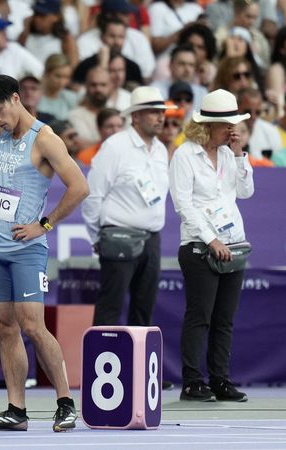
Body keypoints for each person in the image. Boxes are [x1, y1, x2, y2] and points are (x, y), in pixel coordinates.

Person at [0, 35, 89, 432]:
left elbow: (79, 187)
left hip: (27, 247)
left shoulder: (45, 139)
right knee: (5, 326)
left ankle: (64, 402)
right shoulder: (2, 132)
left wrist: (43, 225)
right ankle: (16, 410)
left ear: (16, 98)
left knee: (32, 325)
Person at [169, 89, 254, 402]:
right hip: (198, 246)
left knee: (224, 319)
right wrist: (211, 239)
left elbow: (245, 192)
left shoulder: (229, 154)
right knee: (200, 315)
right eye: (227, 124)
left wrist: (240, 153)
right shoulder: (185, 154)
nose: (232, 129)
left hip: (233, 243)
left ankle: (220, 379)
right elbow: (183, 204)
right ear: (208, 125)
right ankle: (192, 381)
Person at [82, 86, 175, 328]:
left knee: (144, 309)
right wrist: (97, 236)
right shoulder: (115, 146)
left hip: (152, 238)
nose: (160, 117)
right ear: (135, 116)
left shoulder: (161, 150)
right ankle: (99, 363)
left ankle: (139, 365)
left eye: (161, 111)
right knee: (110, 306)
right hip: (118, 235)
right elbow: (92, 194)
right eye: (153, 111)